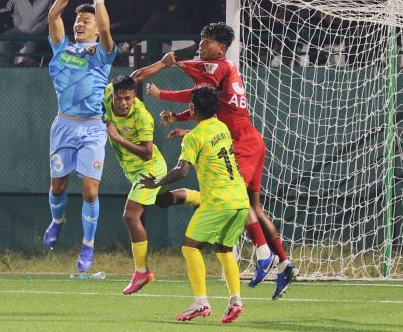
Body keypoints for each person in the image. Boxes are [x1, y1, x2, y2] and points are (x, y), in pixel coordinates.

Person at [133, 22, 296, 299]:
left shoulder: (221, 67)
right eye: (201, 39)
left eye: (206, 41)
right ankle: (283, 263)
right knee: (253, 205)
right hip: (247, 139)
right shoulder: (221, 69)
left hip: (243, 143)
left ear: (220, 47)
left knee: (238, 199)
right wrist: (182, 118)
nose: (201, 44)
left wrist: (163, 95)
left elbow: (199, 97)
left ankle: (264, 254)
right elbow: (210, 107)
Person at [138, 85, 248, 324]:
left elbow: (181, 171)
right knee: (224, 249)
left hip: (218, 201)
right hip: (240, 199)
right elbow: (205, 137)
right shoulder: (222, 128)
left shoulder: (194, 137)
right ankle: (235, 300)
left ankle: (200, 302)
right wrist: (184, 133)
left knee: (190, 246)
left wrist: (156, 181)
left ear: (191, 108)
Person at [42, 0, 115, 273]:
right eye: (79, 21)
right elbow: (52, 16)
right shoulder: (62, 49)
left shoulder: (101, 55)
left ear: (96, 28)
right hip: (63, 127)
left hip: (92, 131)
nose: (80, 24)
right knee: (58, 187)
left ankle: (87, 247)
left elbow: (108, 29)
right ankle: (57, 220)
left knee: (89, 190)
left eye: (87, 21)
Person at [103, 74, 201, 294]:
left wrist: (118, 138)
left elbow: (147, 153)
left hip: (148, 169)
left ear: (134, 96)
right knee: (164, 201)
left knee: (130, 215)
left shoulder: (142, 117)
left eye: (128, 98)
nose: (123, 103)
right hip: (131, 169)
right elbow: (136, 74)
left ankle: (141, 271)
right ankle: (200, 198)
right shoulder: (108, 92)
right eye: (119, 98)